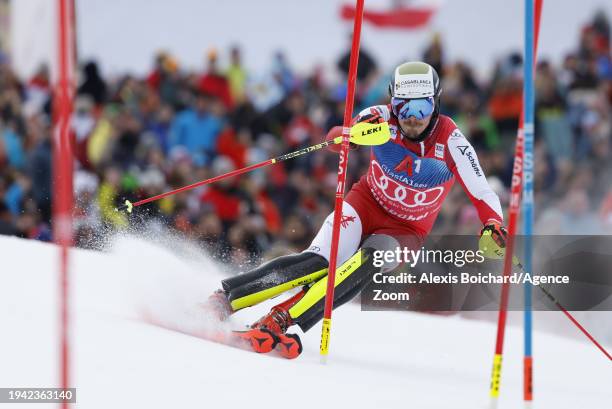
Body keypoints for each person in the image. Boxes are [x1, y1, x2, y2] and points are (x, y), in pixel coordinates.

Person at [204, 62, 508, 358]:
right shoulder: (380, 118)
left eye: (422, 109)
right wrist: (345, 138)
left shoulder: (452, 140)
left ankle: (281, 320)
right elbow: (337, 135)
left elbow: (481, 190)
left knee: (367, 263)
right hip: (365, 205)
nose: (412, 119)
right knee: (317, 264)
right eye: (404, 108)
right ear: (393, 103)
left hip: (406, 230)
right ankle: (225, 299)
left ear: (436, 105)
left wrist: (493, 223)